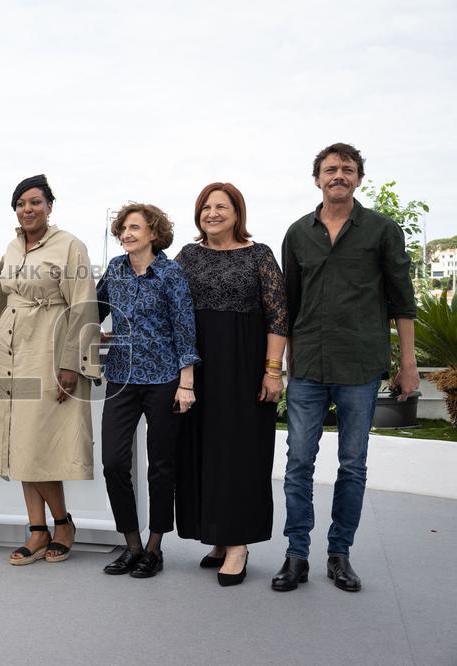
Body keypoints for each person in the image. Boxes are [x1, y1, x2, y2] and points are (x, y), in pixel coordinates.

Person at [274, 143, 418, 593]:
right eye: (330, 169)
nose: (339, 175)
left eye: (347, 169)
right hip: (308, 369)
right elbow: (288, 305)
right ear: (317, 178)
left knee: (353, 465)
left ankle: (340, 555)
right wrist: (280, 364)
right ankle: (296, 555)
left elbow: (401, 298)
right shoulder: (298, 233)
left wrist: (408, 363)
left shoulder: (382, 230)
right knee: (298, 463)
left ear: (358, 178)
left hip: (360, 365)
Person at [0, 174, 101, 565]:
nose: (27, 209)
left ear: (50, 205)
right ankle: (37, 530)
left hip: (47, 351)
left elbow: (83, 305)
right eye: (20, 204)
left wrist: (72, 364)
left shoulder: (70, 246)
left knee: (36, 442)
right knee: (16, 443)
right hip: (10, 353)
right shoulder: (12, 248)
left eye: (35, 202)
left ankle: (62, 523)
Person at [174, 183, 288, 587]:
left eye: (222, 206)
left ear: (238, 213)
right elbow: (167, 301)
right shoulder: (188, 255)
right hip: (197, 368)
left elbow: (278, 317)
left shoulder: (260, 255)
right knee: (202, 449)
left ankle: (238, 543)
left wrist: (272, 371)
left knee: (239, 451)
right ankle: (218, 537)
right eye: (206, 207)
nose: (213, 213)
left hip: (243, 367)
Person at [97, 203, 199, 578]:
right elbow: (93, 310)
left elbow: (184, 328)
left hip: (164, 381)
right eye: (123, 227)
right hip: (121, 378)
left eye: (135, 227)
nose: (126, 233)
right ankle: (132, 545)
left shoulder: (171, 273)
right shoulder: (115, 270)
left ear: (154, 233)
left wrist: (186, 383)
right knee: (113, 464)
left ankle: (154, 548)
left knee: (161, 467)